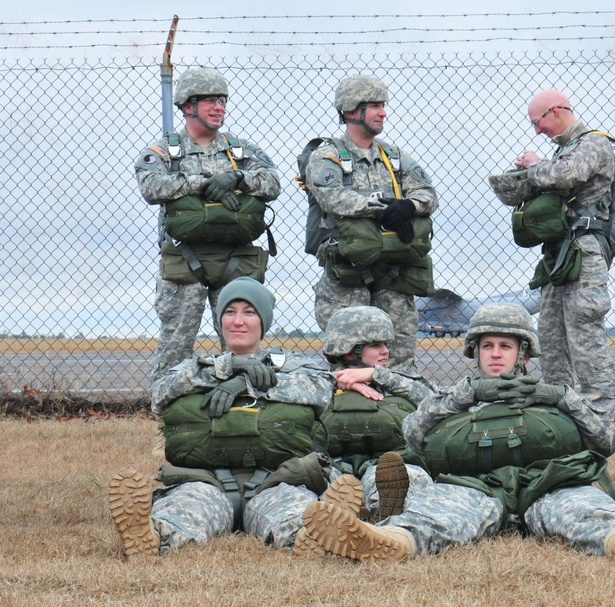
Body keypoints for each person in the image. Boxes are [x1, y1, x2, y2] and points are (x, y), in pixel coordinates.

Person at [297, 303, 615, 563]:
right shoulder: (458, 395)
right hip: (477, 487)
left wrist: (560, 399)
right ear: (474, 351)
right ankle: (389, 540)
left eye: (505, 346)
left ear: (524, 353)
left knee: (581, 508)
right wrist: (465, 395)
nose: (495, 354)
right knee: (439, 513)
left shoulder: (554, 394)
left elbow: (606, 443)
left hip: (548, 484)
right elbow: (415, 437)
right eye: (488, 346)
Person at [108, 278, 334, 557]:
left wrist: (245, 382)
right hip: (207, 481)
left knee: (295, 515)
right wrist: (225, 369)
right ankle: (150, 537)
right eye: (230, 312)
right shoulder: (196, 367)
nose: (238, 321)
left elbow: (323, 392)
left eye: (249, 312)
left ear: (263, 321)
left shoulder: (292, 365)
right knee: (184, 512)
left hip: (274, 481)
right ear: (219, 319)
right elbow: (160, 395)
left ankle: (309, 538)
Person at [136, 67, 282, 380]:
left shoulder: (240, 151)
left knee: (241, 342)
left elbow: (272, 183)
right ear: (188, 106)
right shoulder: (166, 150)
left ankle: (245, 408)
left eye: (222, 101)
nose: (219, 108)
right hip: (185, 259)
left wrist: (238, 177)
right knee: (176, 344)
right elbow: (151, 186)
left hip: (236, 259)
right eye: (210, 101)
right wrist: (200, 183)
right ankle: (170, 416)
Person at [488, 89, 615, 429]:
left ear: (556, 110)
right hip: (558, 253)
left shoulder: (593, 143)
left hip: (585, 251)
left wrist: (535, 166)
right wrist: (529, 173)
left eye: (538, 121)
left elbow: (566, 176)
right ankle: (560, 416)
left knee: (584, 332)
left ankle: (598, 422)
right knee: (551, 334)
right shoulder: (563, 151)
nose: (537, 130)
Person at [304, 74, 438, 377]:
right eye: (375, 106)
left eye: (383, 105)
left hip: (394, 270)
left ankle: (400, 413)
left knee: (400, 352)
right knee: (346, 354)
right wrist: (382, 209)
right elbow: (332, 197)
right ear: (352, 111)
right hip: (348, 272)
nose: (383, 112)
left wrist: (408, 206)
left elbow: (427, 193)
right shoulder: (327, 156)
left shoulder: (395, 157)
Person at [303, 305, 436, 531]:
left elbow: (434, 402)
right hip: (331, 468)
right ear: (349, 351)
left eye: (386, 344)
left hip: (383, 465)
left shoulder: (396, 382)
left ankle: (377, 511)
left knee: (404, 477)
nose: (386, 351)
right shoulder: (317, 383)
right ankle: (343, 512)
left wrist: (379, 375)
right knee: (316, 485)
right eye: (376, 345)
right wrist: (336, 380)